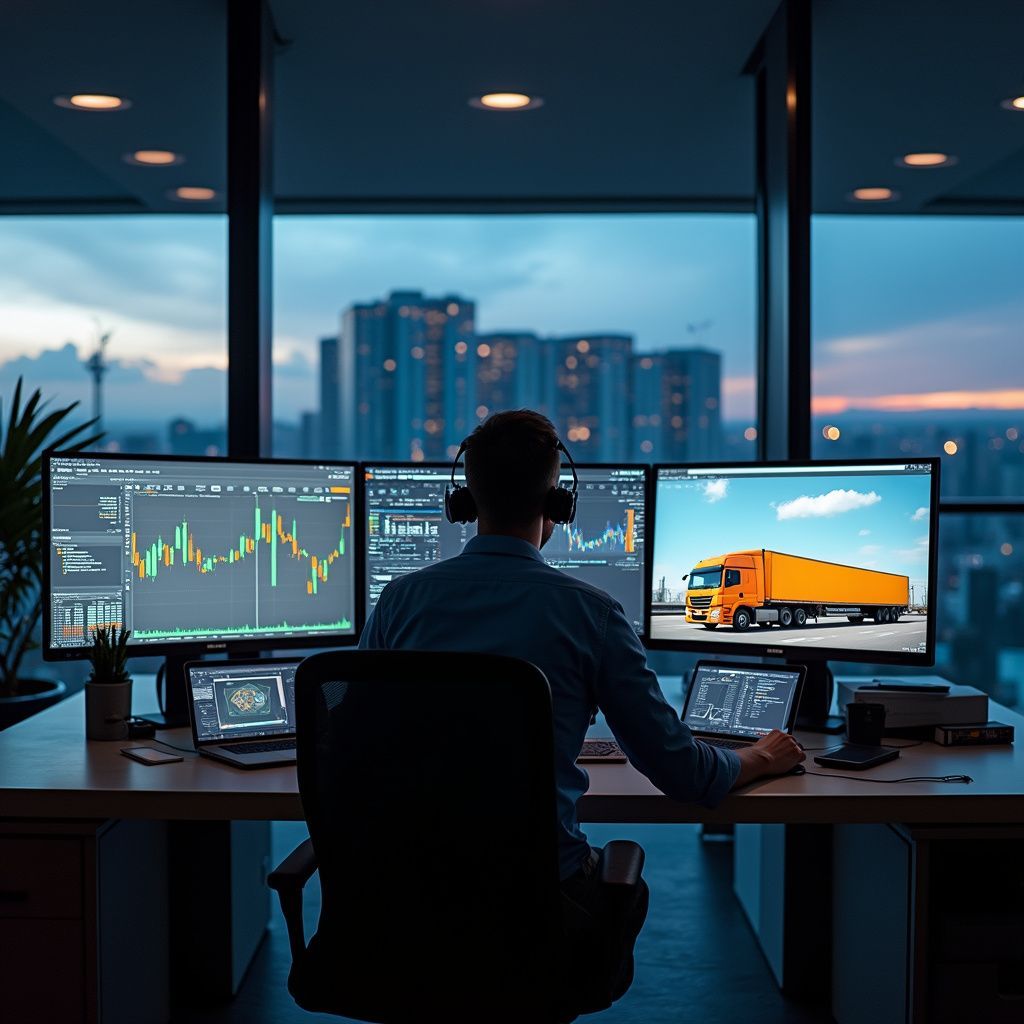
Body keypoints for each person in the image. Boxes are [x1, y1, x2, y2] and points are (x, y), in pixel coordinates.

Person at [359, 409, 804, 1009]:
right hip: (536, 907)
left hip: (403, 905)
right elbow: (683, 773)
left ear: (464, 501)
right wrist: (759, 757)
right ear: (559, 506)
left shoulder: (399, 602)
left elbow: (355, 742)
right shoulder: (589, 614)